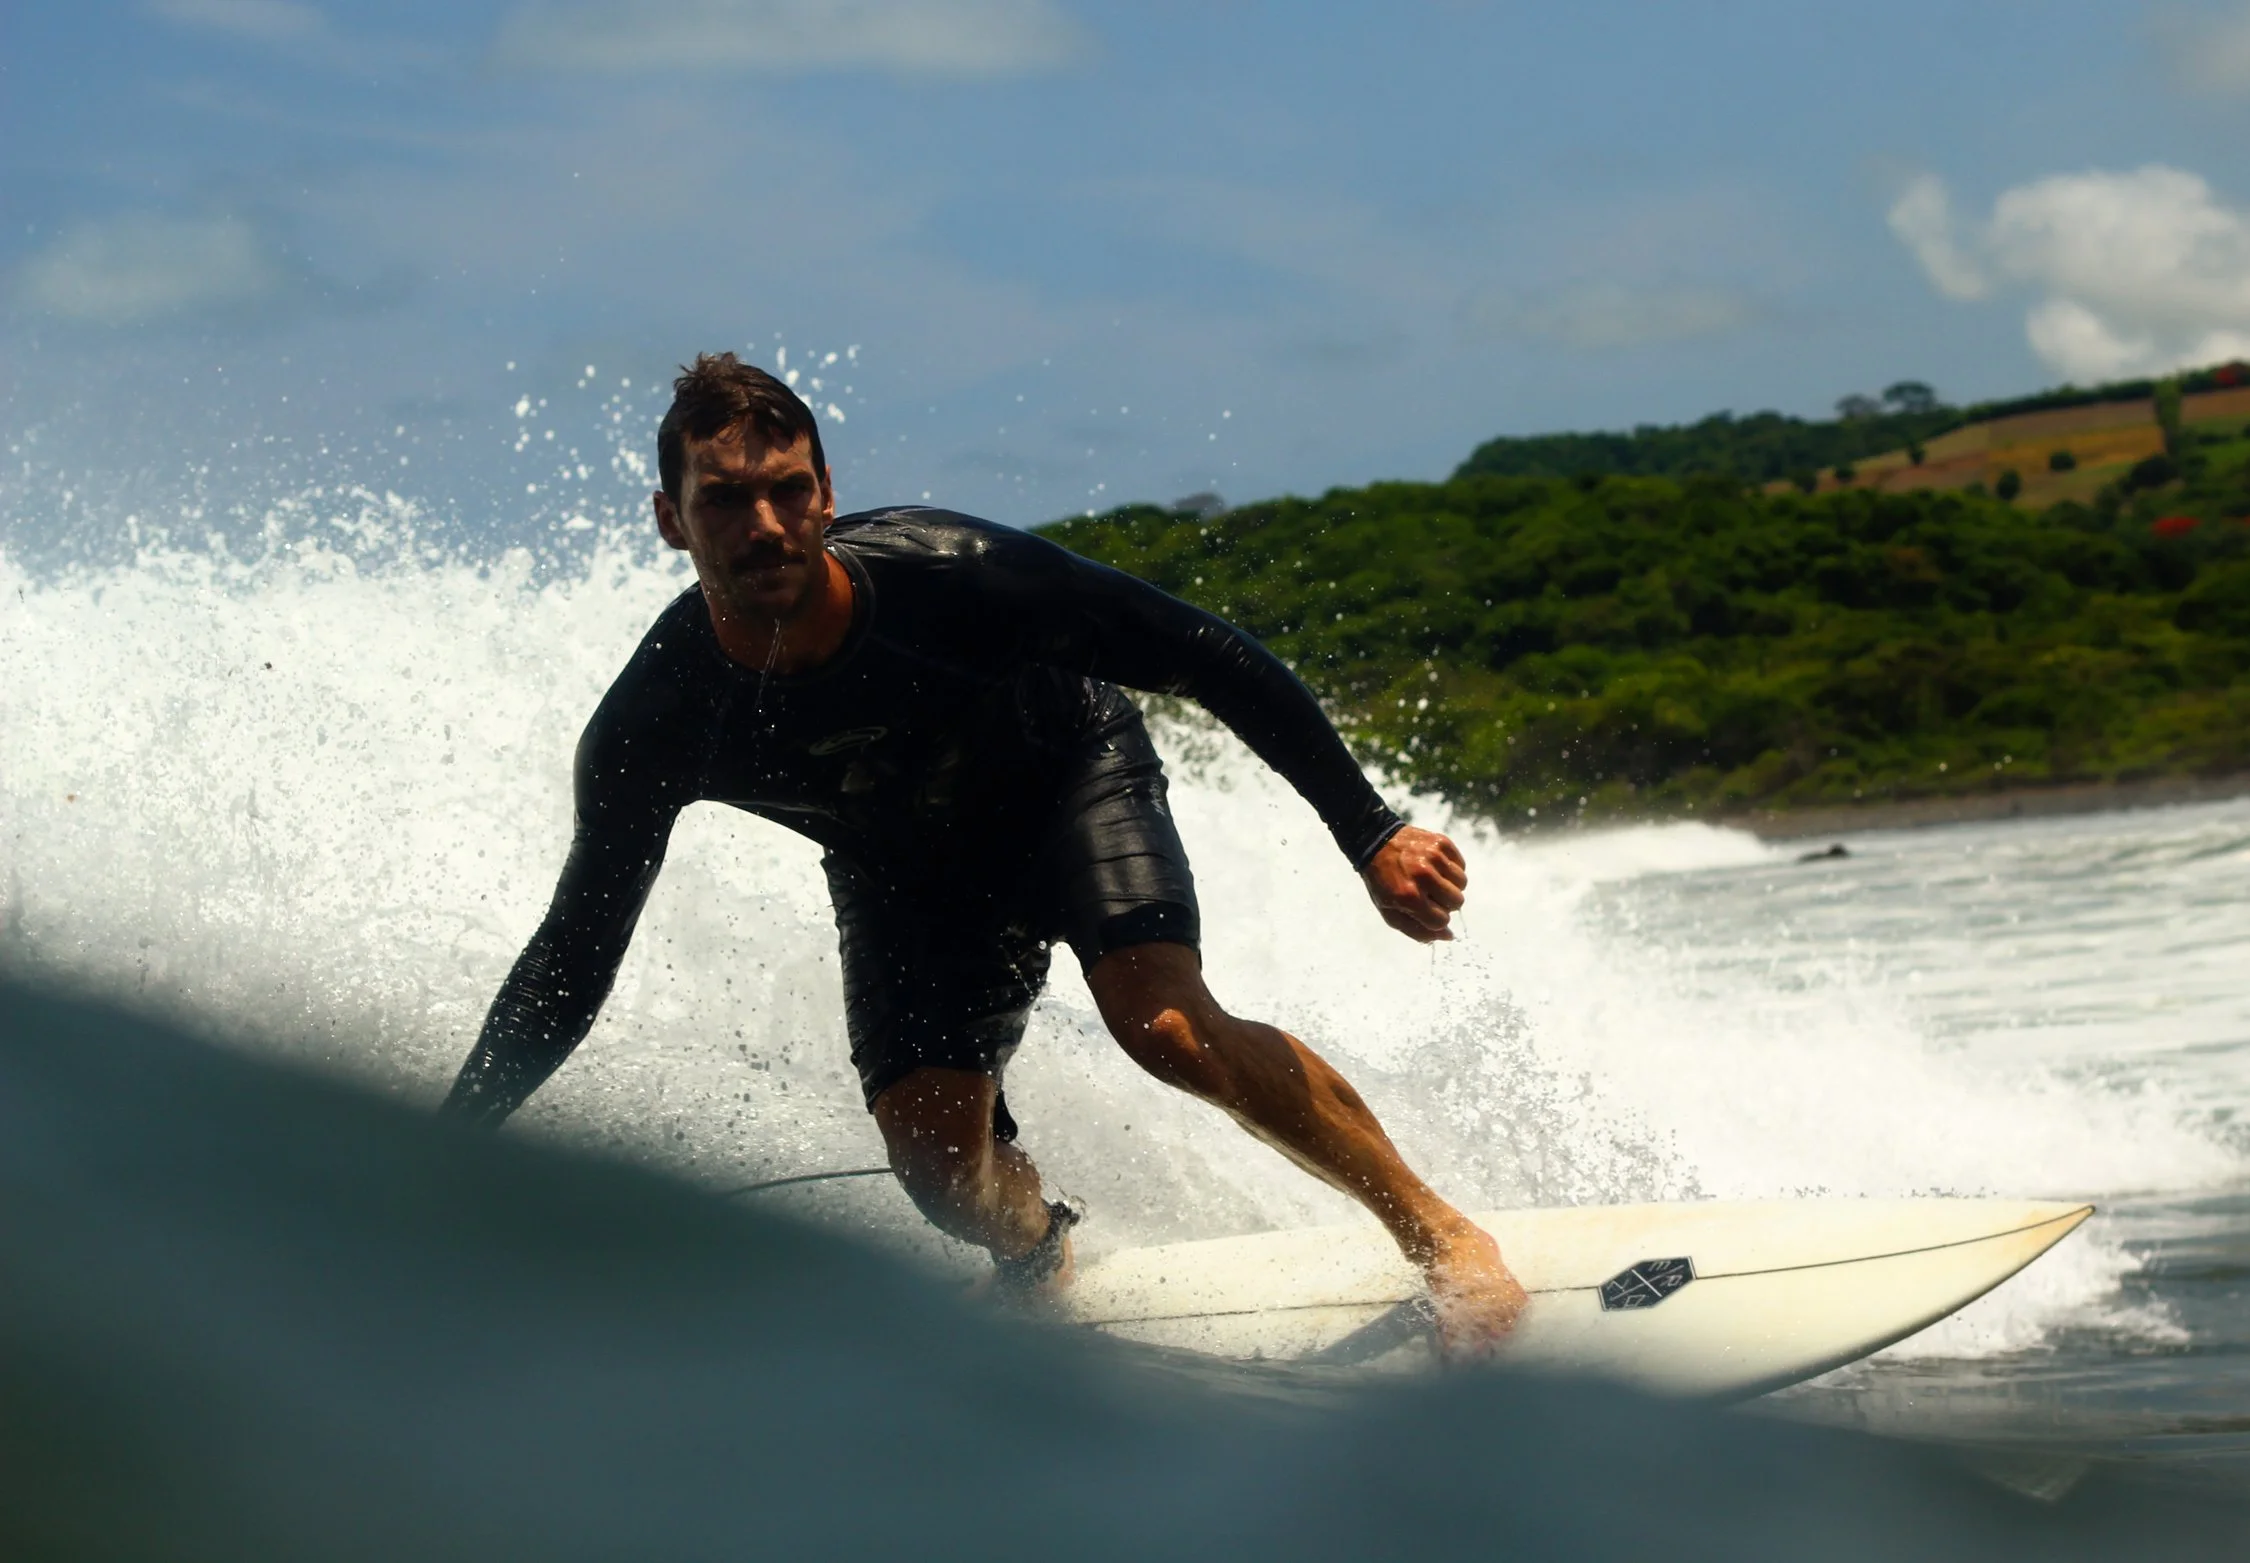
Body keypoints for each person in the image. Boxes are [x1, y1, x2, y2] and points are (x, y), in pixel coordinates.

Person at [440, 353, 1528, 1354]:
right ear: (671, 520)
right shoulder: (656, 721)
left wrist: (1370, 832)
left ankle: (1442, 1237)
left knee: (1166, 1025)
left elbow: (1204, 653)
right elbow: (572, 958)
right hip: (906, 876)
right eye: (724, 498)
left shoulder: (955, 575)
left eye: (787, 490)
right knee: (937, 1171)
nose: (763, 525)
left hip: (1070, 780)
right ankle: (1037, 1253)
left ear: (826, 492)